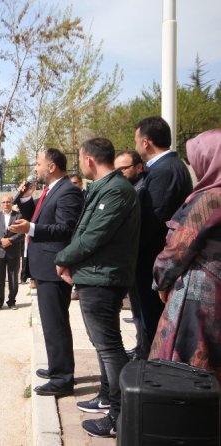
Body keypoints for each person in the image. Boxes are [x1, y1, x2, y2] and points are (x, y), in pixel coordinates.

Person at [55, 138, 140, 438]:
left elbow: (93, 236)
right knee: (102, 344)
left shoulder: (116, 191)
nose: (79, 164)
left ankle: (118, 415)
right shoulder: (105, 188)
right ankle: (107, 397)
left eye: (79, 159)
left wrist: (63, 258)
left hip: (103, 279)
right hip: (94, 276)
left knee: (109, 347)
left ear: (89, 160)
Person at [10, 148, 84, 397]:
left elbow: (65, 228)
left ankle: (63, 378)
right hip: (44, 267)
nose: (35, 169)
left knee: (56, 324)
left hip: (54, 267)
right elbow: (40, 220)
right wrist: (25, 200)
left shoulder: (69, 191)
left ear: (52, 167)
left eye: (38, 164)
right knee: (51, 323)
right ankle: (56, 367)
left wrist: (30, 227)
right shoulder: (50, 191)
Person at [150, 129, 221, 382]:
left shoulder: (211, 199)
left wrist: (160, 280)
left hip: (198, 300)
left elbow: (179, 248)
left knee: (184, 376)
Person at [133, 116, 193, 357]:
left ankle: (150, 364)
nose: (136, 146)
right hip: (152, 257)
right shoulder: (163, 168)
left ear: (146, 142)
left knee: (152, 317)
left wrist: (132, 249)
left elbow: (153, 219)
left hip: (152, 259)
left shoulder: (165, 170)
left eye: (136, 141)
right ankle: (144, 351)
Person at [114, 150, 148, 358]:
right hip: (133, 262)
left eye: (124, 168)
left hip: (142, 259)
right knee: (138, 312)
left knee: (145, 312)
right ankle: (140, 347)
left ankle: (146, 352)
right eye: (117, 169)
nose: (121, 173)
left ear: (139, 167)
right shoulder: (131, 188)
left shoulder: (141, 189)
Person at [0, 196, 23, 310]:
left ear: (12, 203)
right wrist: (1, 240)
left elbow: (22, 233)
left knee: (13, 277)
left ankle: (12, 301)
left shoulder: (18, 215)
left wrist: (10, 240)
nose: (6, 204)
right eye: (3, 202)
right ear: (1, 204)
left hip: (13, 251)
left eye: (8, 202)